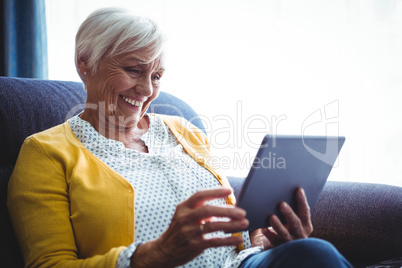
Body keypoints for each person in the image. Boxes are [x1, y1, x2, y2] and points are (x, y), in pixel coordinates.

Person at [7, 7, 352, 268]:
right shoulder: (46, 154)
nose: (146, 90)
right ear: (85, 62)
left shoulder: (184, 131)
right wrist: (157, 253)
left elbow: (237, 230)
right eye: (133, 70)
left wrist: (271, 240)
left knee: (310, 251)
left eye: (156, 75)